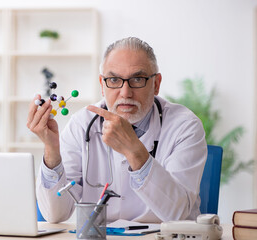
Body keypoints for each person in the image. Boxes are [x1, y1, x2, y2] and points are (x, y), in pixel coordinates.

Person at [27, 37, 207, 223]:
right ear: (102, 85)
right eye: (114, 79)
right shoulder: (82, 124)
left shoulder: (184, 126)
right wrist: (51, 152)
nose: (125, 92)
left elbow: (177, 213)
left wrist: (133, 150)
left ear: (156, 84)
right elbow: (55, 214)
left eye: (137, 79)